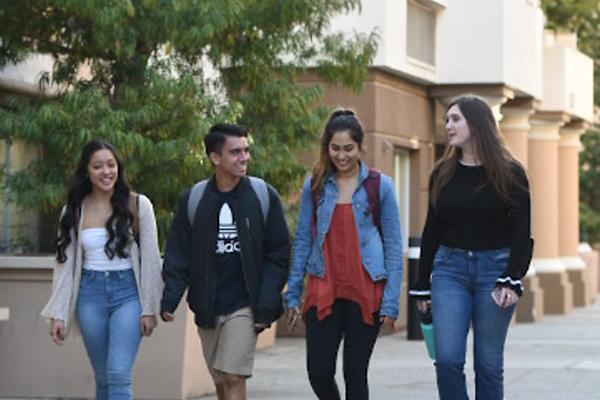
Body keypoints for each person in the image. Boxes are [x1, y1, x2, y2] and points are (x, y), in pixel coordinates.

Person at [409, 95, 531, 400]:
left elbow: (521, 231)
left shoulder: (510, 172)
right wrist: (422, 283)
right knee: (447, 359)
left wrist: (511, 277)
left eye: (455, 119)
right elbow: (431, 230)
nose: (448, 126)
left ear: (476, 123)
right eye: (447, 120)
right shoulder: (443, 173)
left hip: (495, 271)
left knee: (488, 364)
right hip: (449, 271)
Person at [160, 123, 290, 400]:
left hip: (246, 304)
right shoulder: (194, 199)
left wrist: (266, 305)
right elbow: (178, 254)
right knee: (220, 381)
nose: (244, 157)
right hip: (208, 305)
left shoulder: (262, 195)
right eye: (235, 152)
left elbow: (278, 254)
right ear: (215, 157)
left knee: (233, 376)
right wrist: (170, 299)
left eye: (246, 150)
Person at [285, 109, 403, 400]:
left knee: (355, 373)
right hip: (324, 285)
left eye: (348, 148)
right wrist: (292, 293)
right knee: (319, 371)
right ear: (326, 147)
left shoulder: (380, 186)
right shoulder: (314, 184)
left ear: (361, 147)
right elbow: (302, 239)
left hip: (366, 288)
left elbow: (393, 246)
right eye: (335, 148)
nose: (341, 156)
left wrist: (390, 301)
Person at [41, 139, 163, 400]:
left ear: (118, 168)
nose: (106, 171)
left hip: (128, 295)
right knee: (103, 377)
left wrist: (149, 308)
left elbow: (151, 260)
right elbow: (65, 266)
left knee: (118, 373)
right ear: (86, 171)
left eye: (111, 165)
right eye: (98, 166)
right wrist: (58, 314)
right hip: (89, 296)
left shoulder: (139, 205)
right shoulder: (73, 211)